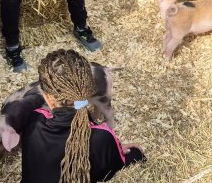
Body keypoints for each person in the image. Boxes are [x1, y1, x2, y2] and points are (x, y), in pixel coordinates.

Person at [20, 49, 145, 183]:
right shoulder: (103, 136)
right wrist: (115, 149)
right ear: (88, 91)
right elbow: (111, 169)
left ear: (47, 98)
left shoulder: (34, 120)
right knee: (136, 153)